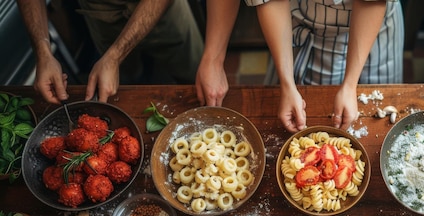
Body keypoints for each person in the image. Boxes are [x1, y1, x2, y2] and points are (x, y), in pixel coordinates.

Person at [195, 0, 404, 133]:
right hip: (293, 24)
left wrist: (350, 85)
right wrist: (287, 84)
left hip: (372, 29)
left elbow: (371, 2)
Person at [17, 0, 203, 104]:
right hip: (101, 13)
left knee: (192, 71)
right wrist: (43, 52)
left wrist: (114, 56)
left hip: (162, 10)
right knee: (122, 85)